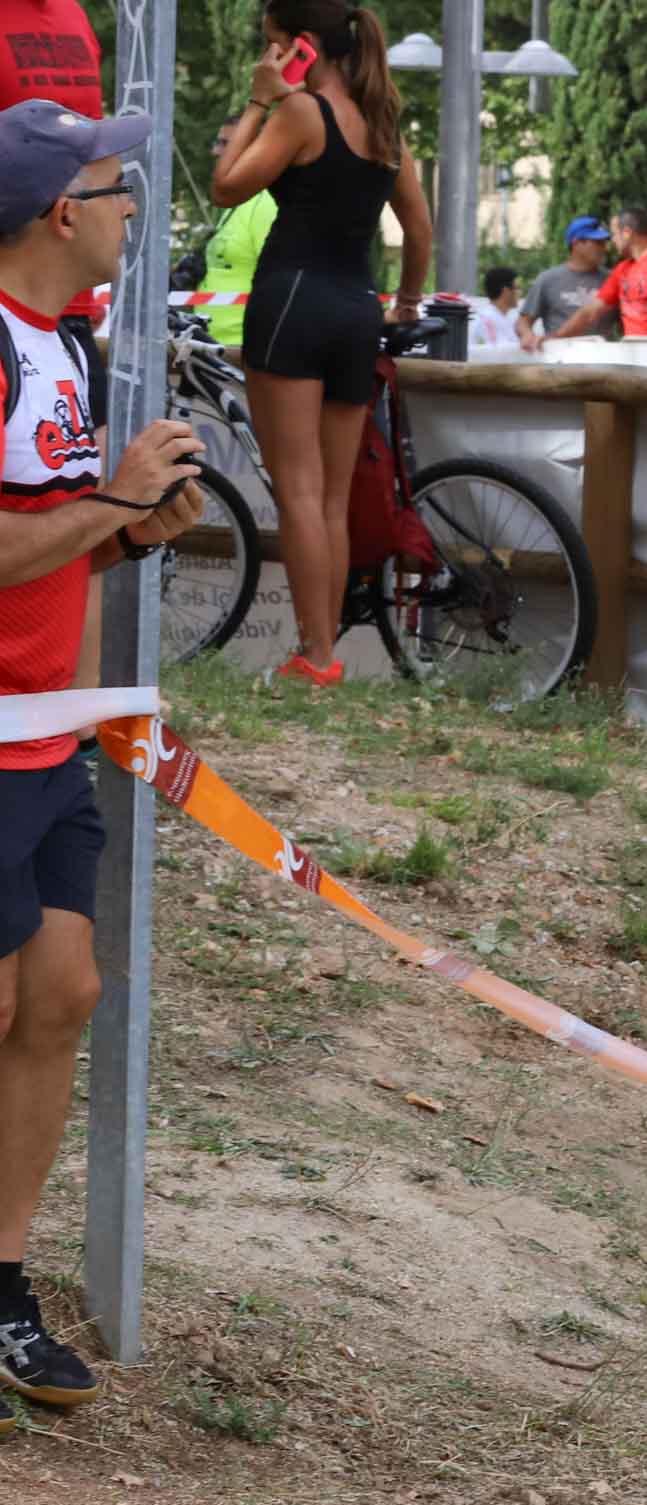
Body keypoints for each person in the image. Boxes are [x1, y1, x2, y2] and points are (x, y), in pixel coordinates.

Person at [0, 99, 211, 1419]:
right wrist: (113, 500)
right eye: (117, 189)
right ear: (59, 213)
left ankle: (3, 1288)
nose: (137, 209)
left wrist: (132, 529)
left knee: (63, 993)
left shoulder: (66, 346)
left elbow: (54, 530)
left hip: (46, 732)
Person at [211, 0, 429, 690]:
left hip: (293, 304)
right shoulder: (383, 123)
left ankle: (316, 657)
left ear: (302, 46)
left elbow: (225, 187)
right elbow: (419, 230)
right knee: (332, 499)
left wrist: (258, 102)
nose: (269, 58)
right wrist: (406, 302)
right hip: (358, 311)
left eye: (274, 44)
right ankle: (322, 653)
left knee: (300, 495)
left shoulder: (303, 112)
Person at [551, 205, 647, 339]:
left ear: (626, 232)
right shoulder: (622, 270)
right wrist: (555, 337)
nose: (612, 241)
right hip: (635, 359)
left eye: (614, 234)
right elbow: (590, 312)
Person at [196, 114, 276, 349]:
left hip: (246, 348)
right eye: (217, 142)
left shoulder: (267, 204)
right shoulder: (240, 200)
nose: (215, 151)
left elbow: (278, 279)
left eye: (225, 144)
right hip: (214, 345)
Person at [515, 215, 607, 350]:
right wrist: (527, 335)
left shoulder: (611, 279)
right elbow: (523, 321)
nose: (604, 248)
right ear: (576, 243)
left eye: (604, 243)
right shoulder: (548, 279)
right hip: (559, 358)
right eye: (597, 243)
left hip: (603, 358)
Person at [464, 264, 516, 347]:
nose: (519, 293)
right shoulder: (485, 321)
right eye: (516, 288)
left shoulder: (510, 319)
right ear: (506, 291)